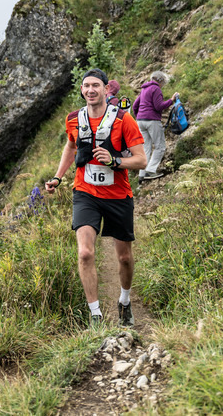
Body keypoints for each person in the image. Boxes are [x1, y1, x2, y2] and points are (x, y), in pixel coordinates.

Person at [45, 68, 147, 325]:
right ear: (82, 90)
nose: (90, 90)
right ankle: (96, 315)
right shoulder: (73, 120)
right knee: (85, 254)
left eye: (96, 86)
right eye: (86, 86)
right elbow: (70, 146)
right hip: (85, 193)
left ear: (105, 89)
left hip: (118, 195)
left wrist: (115, 160)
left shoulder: (124, 120)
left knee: (124, 257)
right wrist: (58, 177)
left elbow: (142, 160)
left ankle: (124, 301)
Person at [131, 70, 179, 181]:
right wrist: (171, 100)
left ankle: (141, 175)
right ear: (160, 80)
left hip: (140, 121)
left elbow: (135, 105)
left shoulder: (144, 89)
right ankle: (150, 171)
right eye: (164, 82)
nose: (163, 85)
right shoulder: (156, 89)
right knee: (160, 146)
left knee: (146, 148)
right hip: (152, 120)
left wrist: (139, 116)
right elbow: (159, 107)